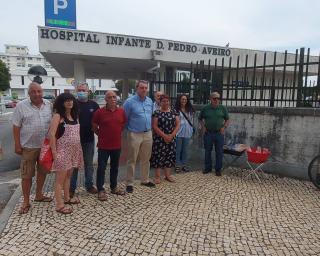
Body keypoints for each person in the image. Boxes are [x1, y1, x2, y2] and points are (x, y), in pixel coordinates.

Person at [12, 82, 53, 214]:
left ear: (42, 92)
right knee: (27, 175)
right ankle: (25, 201)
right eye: (33, 92)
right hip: (28, 147)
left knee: (43, 172)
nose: (36, 94)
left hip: (45, 147)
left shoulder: (49, 105)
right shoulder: (21, 106)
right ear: (29, 93)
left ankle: (39, 195)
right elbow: (16, 126)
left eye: (39, 91)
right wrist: (17, 144)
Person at [49, 93, 83, 214]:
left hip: (73, 152)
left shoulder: (75, 116)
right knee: (59, 180)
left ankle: (67, 198)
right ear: (61, 103)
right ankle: (59, 205)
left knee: (68, 176)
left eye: (71, 100)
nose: (69, 102)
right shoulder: (58, 116)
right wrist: (54, 152)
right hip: (62, 152)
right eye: (66, 100)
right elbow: (51, 134)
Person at [92, 91, 127, 201]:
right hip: (103, 146)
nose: (113, 99)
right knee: (101, 168)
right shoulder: (99, 112)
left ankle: (114, 187)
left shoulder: (121, 111)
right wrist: (101, 135)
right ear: (106, 100)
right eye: (110, 97)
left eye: (114, 97)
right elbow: (94, 126)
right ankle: (100, 189)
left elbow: (123, 124)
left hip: (116, 145)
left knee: (115, 167)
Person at [123, 80, 155, 193]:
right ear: (137, 88)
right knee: (132, 159)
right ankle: (129, 183)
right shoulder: (129, 102)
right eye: (142, 87)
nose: (144, 90)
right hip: (134, 133)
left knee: (146, 158)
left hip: (147, 133)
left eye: (146, 88)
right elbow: (125, 119)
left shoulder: (150, 101)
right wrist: (129, 131)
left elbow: (151, 116)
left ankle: (145, 180)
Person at [70, 82, 99, 198]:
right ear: (77, 91)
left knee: (89, 164)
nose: (82, 92)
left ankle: (89, 185)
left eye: (84, 90)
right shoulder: (72, 104)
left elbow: (98, 122)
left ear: (88, 91)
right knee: (74, 165)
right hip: (74, 140)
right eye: (80, 90)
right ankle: (71, 188)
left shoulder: (94, 105)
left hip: (88, 140)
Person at [199, 92, 230, 176]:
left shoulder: (223, 108)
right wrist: (203, 127)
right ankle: (208, 168)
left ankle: (218, 169)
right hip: (208, 133)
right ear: (210, 99)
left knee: (219, 152)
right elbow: (200, 118)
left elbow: (227, 119)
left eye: (218, 98)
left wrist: (224, 127)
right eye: (214, 98)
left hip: (219, 134)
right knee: (207, 151)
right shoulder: (205, 108)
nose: (216, 100)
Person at [151, 94, 180, 183]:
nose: (165, 103)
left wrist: (171, 135)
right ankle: (157, 176)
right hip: (159, 139)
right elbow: (154, 126)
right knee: (159, 156)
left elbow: (178, 124)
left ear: (169, 102)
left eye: (167, 101)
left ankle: (168, 175)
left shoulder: (174, 112)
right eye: (163, 101)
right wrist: (164, 136)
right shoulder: (156, 112)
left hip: (171, 138)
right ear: (160, 102)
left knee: (169, 156)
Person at [174, 94, 195, 172]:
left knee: (185, 150)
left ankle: (184, 165)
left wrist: (192, 130)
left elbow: (192, 121)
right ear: (179, 100)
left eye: (185, 99)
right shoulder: (176, 110)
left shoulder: (190, 109)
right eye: (182, 99)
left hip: (187, 132)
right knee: (178, 150)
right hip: (178, 132)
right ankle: (177, 165)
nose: (184, 101)